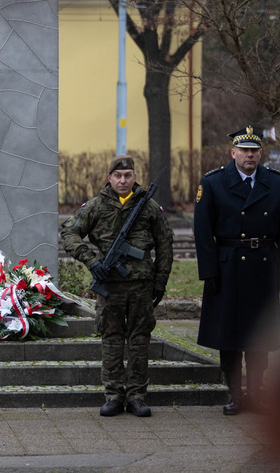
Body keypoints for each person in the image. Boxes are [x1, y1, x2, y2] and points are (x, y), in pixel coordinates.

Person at [60, 155, 174, 418]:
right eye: (118, 176)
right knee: (111, 339)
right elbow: (68, 232)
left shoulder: (149, 206)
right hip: (110, 285)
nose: (123, 180)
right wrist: (92, 259)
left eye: (128, 175)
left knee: (139, 340)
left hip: (141, 286)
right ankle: (113, 395)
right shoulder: (96, 206)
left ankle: (137, 396)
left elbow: (165, 244)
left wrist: (160, 281)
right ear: (109, 178)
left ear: (135, 177)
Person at [194, 125, 280, 416]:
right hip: (227, 267)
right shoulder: (213, 183)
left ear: (261, 153)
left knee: (258, 334)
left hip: (263, 266)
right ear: (233, 152)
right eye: (244, 150)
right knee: (229, 335)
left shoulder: (276, 183)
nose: (249, 155)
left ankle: (255, 391)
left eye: (254, 150)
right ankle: (236, 394)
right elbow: (202, 231)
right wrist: (209, 271)